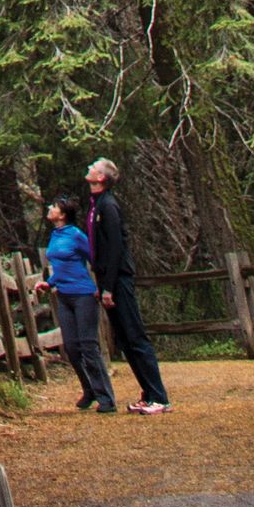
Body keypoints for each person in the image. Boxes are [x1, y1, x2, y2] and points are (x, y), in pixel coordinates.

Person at [83, 158, 170, 413]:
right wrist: (101, 284)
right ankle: (148, 393)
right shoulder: (95, 205)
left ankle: (160, 397)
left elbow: (116, 248)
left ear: (101, 178)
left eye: (94, 167)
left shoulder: (108, 206)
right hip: (108, 280)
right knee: (125, 339)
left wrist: (109, 286)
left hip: (119, 280)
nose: (89, 167)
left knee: (135, 336)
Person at [44, 199, 115, 412]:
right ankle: (89, 390)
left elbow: (95, 258)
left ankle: (106, 398)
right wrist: (49, 283)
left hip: (83, 295)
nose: (49, 208)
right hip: (64, 296)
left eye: (54, 207)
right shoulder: (55, 235)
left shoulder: (76, 235)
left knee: (88, 346)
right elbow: (60, 267)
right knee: (72, 348)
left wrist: (102, 286)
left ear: (63, 214)